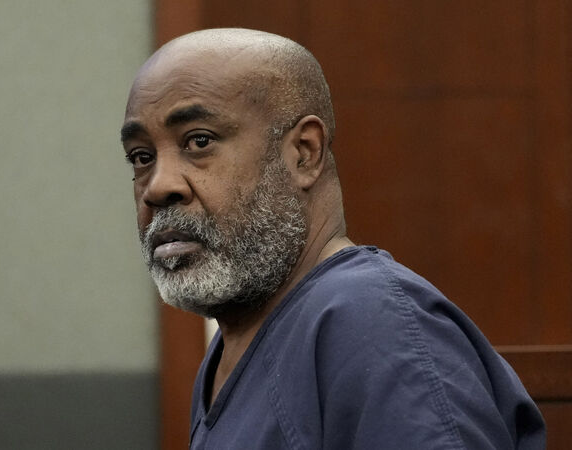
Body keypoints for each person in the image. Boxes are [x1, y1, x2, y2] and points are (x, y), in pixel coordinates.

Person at [120, 28, 545, 449]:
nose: (158, 186)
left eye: (199, 141)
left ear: (304, 153)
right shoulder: (231, 347)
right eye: (142, 157)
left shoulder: (372, 322)